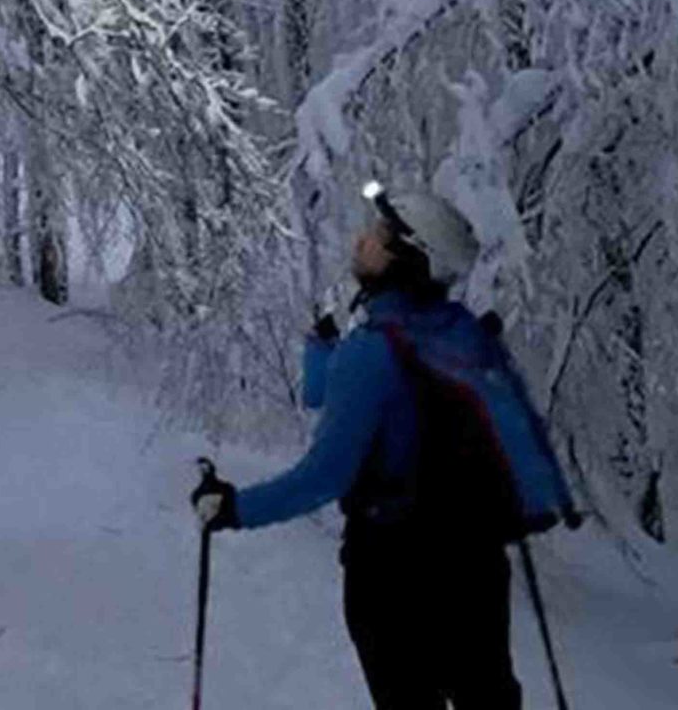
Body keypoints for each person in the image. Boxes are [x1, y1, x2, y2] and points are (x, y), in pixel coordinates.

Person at [192, 187, 527, 710]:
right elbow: (326, 395)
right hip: (474, 565)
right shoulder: (464, 334)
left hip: (394, 572)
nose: (361, 240)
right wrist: (321, 347)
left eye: (377, 235)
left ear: (406, 258)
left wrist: (234, 509)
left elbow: (326, 475)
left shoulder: (372, 351)